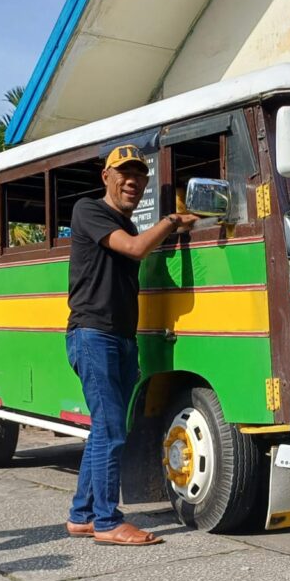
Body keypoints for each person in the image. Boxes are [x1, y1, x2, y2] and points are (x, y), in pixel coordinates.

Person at [65, 144, 198, 546]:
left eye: (139, 175)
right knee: (109, 430)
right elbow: (136, 250)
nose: (132, 181)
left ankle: (82, 515)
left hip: (120, 338)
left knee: (105, 430)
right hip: (93, 335)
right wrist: (173, 220)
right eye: (123, 173)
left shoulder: (127, 225)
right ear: (105, 177)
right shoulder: (89, 211)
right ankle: (107, 521)